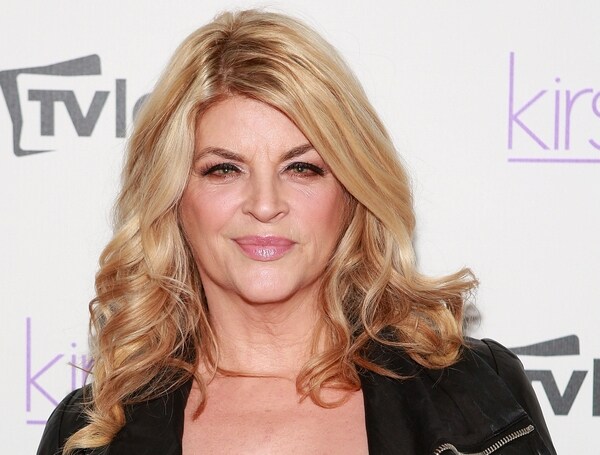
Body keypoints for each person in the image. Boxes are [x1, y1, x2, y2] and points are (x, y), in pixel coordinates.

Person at [37, 9, 556, 455]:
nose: (265, 205)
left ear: (351, 192)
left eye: (302, 168)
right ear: (173, 198)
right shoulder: (89, 434)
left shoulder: (476, 394)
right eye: (224, 169)